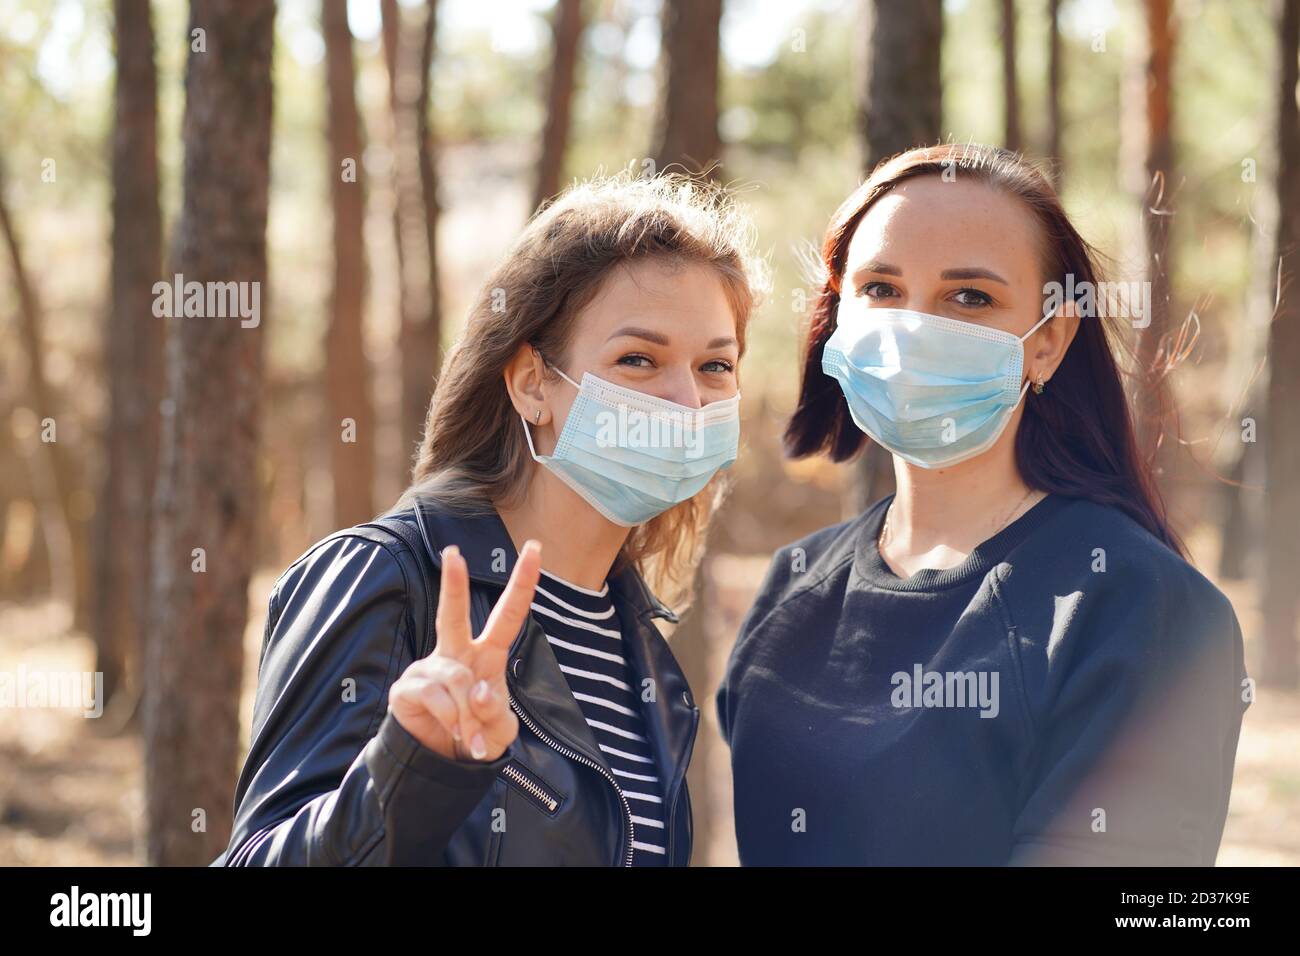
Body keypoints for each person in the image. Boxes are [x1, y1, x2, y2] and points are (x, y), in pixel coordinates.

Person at [716, 143, 1252, 866]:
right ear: (836, 316)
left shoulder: (1140, 608)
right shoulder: (792, 585)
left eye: (970, 297)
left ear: (1049, 342)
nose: (913, 329)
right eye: (879, 289)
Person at [215, 171, 766, 865]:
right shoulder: (386, 578)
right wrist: (414, 769)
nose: (687, 403)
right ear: (534, 383)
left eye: (716, 367)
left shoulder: (645, 653)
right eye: (638, 359)